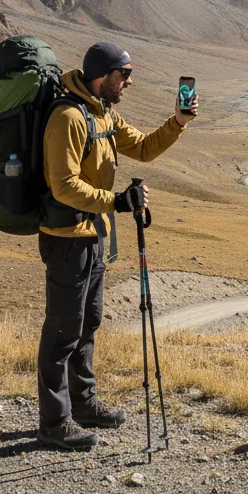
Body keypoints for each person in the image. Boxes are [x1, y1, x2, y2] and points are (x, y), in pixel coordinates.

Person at [36, 41, 198, 450]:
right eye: (123, 74)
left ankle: (84, 403)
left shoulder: (103, 113)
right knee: (61, 333)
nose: (129, 81)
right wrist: (116, 202)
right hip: (66, 240)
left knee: (87, 324)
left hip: (93, 236)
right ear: (102, 75)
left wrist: (177, 120)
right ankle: (55, 423)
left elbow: (143, 147)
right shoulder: (69, 117)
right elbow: (63, 184)